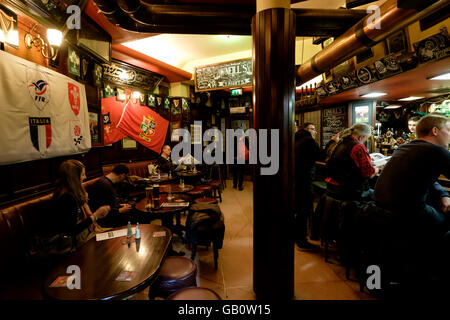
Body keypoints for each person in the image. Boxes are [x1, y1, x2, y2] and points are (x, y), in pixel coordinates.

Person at [374, 114, 449, 235]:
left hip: (381, 209)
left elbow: (423, 177)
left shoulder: (404, 147)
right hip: (407, 213)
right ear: (435, 131)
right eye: (449, 130)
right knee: (445, 221)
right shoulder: (436, 151)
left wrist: (443, 194)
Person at [36, 160, 110, 255]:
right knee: (104, 248)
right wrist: (95, 216)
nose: (85, 177)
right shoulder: (67, 198)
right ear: (74, 178)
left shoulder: (67, 191)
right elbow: (71, 231)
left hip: (72, 238)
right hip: (58, 244)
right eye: (83, 175)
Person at [295, 122, 326, 250]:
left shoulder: (296, 138)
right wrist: (332, 143)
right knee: (304, 209)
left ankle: (298, 236)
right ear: (307, 130)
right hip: (305, 179)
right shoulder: (308, 140)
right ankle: (302, 241)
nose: (315, 132)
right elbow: (321, 156)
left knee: (299, 209)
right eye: (313, 129)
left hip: (295, 178)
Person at [326, 123, 378, 200]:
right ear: (361, 137)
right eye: (366, 139)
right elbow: (369, 174)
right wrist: (377, 169)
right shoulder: (358, 147)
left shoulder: (340, 143)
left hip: (333, 187)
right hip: (351, 191)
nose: (365, 141)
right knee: (380, 197)